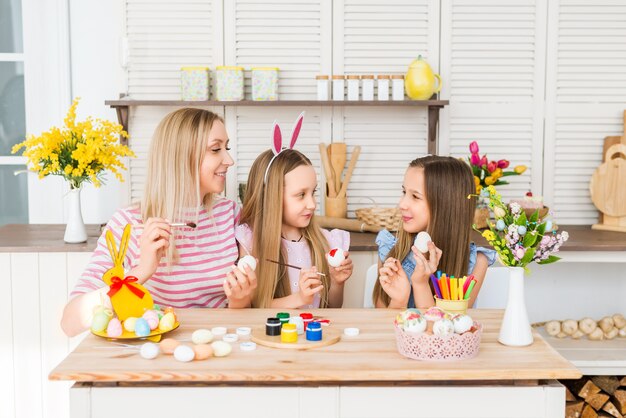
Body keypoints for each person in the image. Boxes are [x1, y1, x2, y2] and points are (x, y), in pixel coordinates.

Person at [61, 108, 255, 337]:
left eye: (227, 148)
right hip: (154, 356)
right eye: (215, 149)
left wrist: (241, 300)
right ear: (181, 156)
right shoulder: (128, 223)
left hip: (217, 349)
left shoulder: (231, 215)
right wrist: (142, 270)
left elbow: (241, 316)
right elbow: (70, 321)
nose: (229, 160)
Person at [236, 113, 353, 308]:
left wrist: (337, 283)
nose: (313, 204)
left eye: (313, 192)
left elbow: (333, 308)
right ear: (272, 197)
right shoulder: (251, 241)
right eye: (301, 195)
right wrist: (299, 299)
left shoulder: (324, 241)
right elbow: (252, 307)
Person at [373, 155, 496, 309]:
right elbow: (381, 326)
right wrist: (399, 301)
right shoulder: (390, 250)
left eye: (415, 196)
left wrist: (420, 284)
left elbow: (447, 329)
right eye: (404, 192)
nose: (402, 203)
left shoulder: (475, 263)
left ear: (445, 206)